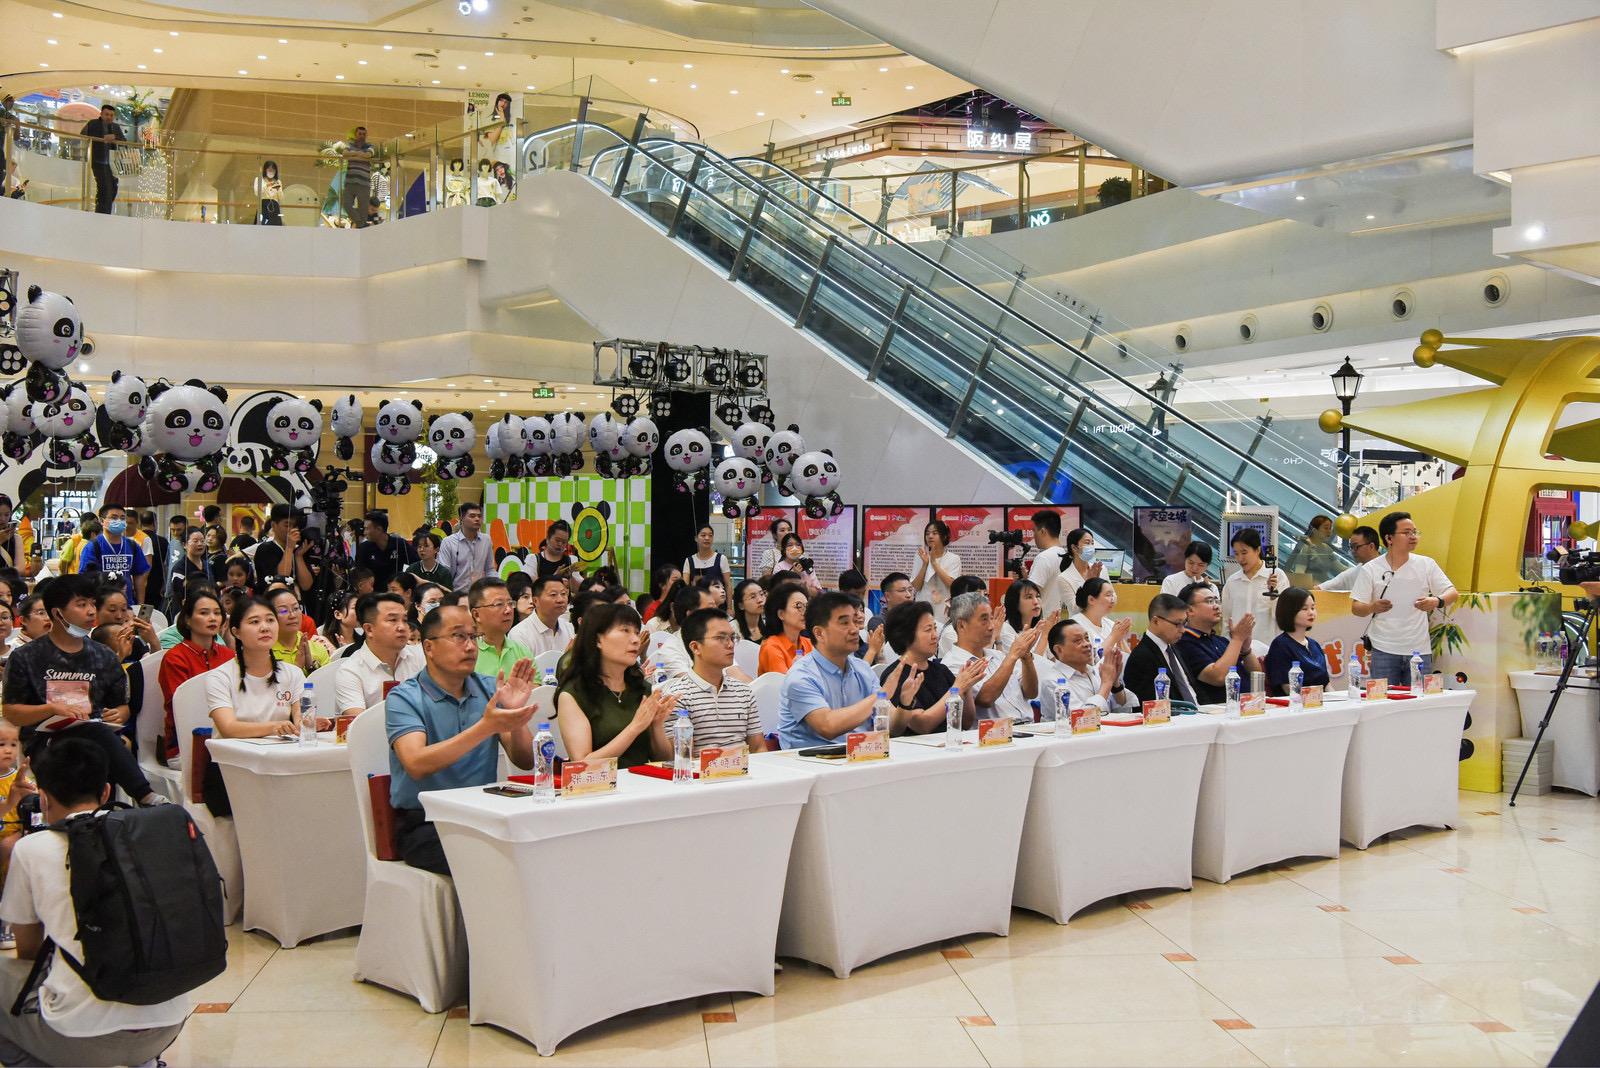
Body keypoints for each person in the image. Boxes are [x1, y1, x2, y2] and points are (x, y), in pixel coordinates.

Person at [0, 739, 188, 1068]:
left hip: (78, 1038)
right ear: (105, 792)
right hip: (169, 1025)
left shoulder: (32, 849)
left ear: (42, 797)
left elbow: (28, 953)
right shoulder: (151, 835)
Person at [387, 605, 539, 875]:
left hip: (485, 813)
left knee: (541, 847)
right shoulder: (405, 697)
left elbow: (525, 761)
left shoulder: (489, 688)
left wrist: (514, 717)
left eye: (473, 637)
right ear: (429, 647)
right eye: (459, 636)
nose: (470, 646)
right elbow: (416, 764)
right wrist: (485, 727)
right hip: (427, 822)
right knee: (496, 862)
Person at [0, 574, 164, 805]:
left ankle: (109, 812)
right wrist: (52, 709)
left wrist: (119, 714)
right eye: (81, 605)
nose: (90, 612)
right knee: (94, 741)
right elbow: (11, 712)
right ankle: (145, 796)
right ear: (57, 613)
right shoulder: (26, 656)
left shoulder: (104, 655)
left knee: (97, 737)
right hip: (46, 740)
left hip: (96, 735)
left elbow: (121, 706)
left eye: (92, 604)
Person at [203, 597, 313, 815]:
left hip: (280, 762)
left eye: (270, 620)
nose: (265, 627)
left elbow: (301, 718)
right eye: (254, 622)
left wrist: (310, 722)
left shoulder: (293, 674)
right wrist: (274, 727)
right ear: (236, 632)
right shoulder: (219, 677)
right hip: (232, 768)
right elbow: (229, 728)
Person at [555, 602, 676, 769]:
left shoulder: (641, 688)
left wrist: (656, 725)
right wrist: (635, 727)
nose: (635, 640)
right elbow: (582, 764)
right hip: (599, 784)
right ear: (598, 640)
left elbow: (664, 760)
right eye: (625, 631)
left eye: (636, 632)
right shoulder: (573, 695)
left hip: (643, 782)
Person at [1352, 511, 1457, 686]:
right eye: (1406, 533)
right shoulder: (1371, 568)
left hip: (1419, 650)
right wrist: (1372, 607)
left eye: (1415, 532)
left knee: (1419, 699)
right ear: (1389, 538)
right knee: (1382, 698)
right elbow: (1356, 607)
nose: (1413, 537)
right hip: (1383, 648)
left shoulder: (1426, 564)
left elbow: (1452, 593)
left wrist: (1436, 601)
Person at [777, 591, 892, 749]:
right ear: (819, 633)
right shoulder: (801, 677)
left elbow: (891, 723)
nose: (854, 630)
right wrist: (882, 695)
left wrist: (906, 706)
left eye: (855, 622)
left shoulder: (863, 669)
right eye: (844, 623)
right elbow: (828, 727)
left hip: (859, 755)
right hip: (810, 760)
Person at [660, 609, 769, 755]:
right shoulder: (677, 697)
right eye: (721, 638)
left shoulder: (744, 692)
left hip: (744, 767)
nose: (730, 645)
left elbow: (758, 749)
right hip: (701, 769)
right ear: (695, 647)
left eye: (732, 638)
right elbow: (684, 758)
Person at [877, 600, 988, 735]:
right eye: (928, 630)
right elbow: (922, 725)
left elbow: (966, 722)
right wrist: (957, 688)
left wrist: (966, 686)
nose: (935, 635)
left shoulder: (941, 670)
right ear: (906, 636)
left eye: (935, 628)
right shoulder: (895, 675)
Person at [156, 587, 232, 766]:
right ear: (188, 619)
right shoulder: (175, 657)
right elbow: (182, 706)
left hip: (227, 737)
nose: (212, 618)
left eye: (217, 613)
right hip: (185, 744)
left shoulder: (228, 655)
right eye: (204, 613)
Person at [941, 590, 1044, 722]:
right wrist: (1013, 655)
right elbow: (985, 699)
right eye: (984, 620)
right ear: (962, 625)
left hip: (1028, 726)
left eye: (991, 618)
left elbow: (1031, 693)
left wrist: (1026, 658)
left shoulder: (999, 656)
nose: (992, 626)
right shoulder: (951, 664)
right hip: (994, 732)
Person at [334, 592, 424, 717]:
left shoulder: (421, 656)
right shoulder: (350, 672)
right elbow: (359, 724)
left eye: (405, 620)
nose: (403, 627)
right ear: (369, 629)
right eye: (393, 620)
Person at [1174, 582, 1262, 704]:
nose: (1216, 607)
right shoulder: (1184, 642)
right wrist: (1237, 639)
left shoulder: (1222, 641)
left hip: (1249, 705)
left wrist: (1246, 650)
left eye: (1217, 601)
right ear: (1189, 610)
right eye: (1209, 601)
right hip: (1219, 710)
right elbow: (1218, 677)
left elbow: (1256, 676)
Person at [1038, 618, 1137, 719]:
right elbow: (1080, 720)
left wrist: (1115, 684)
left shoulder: (1096, 671)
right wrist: (1106, 684)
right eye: (1078, 641)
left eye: (1087, 638)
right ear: (1059, 650)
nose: (1087, 644)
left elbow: (1123, 712)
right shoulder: (1053, 682)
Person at [1123, 593, 1198, 705]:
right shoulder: (1141, 657)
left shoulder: (1175, 648)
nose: (1183, 630)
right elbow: (1146, 705)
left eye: (1184, 623)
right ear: (1156, 621)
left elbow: (1194, 690)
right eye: (1178, 624)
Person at [1221, 527, 1290, 645]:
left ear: (1258, 550)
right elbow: (1226, 619)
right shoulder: (1232, 581)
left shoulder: (1276, 576)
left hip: (1268, 647)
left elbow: (1285, 616)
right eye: (1236, 554)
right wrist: (1226, 644)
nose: (1240, 558)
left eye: (1244, 553)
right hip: (1238, 648)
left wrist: (1273, 596)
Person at [77, 504, 149, 607]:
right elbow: (86, 579)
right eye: (114, 517)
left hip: (127, 604)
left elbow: (139, 576)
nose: (119, 521)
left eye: (122, 518)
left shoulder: (132, 545)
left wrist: (140, 604)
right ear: (102, 521)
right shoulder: (93, 546)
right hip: (101, 605)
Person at [1264, 587, 1330, 697]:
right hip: (1296, 702)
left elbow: (1326, 684)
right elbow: (1287, 688)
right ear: (1289, 612)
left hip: (1322, 701)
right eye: (1304, 609)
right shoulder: (1281, 645)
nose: (1311, 613)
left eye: (1313, 608)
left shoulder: (1314, 644)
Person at [646, 583, 718, 679]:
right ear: (691, 615)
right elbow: (691, 682)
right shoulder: (670, 649)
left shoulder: (719, 642)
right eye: (711, 609)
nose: (717, 614)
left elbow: (734, 672)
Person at [469, 577, 532, 677]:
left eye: (510, 603)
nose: (508, 610)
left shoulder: (523, 652)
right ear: (476, 614)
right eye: (499, 604)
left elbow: (534, 685)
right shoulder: (466, 653)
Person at [506, 575, 572, 660]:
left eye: (563, 594)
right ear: (535, 601)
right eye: (553, 595)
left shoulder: (570, 628)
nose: (561, 600)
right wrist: (565, 660)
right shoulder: (519, 634)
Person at [252, 505, 313, 596]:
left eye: (295, 526)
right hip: (272, 601)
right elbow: (282, 579)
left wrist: (298, 556)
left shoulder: (299, 551)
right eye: (287, 525)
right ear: (273, 525)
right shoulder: (265, 549)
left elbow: (306, 585)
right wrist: (289, 548)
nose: (292, 530)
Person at [266, 585, 329, 673]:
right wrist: (297, 668)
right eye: (284, 611)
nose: (292, 615)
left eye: (296, 608)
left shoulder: (317, 648)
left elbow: (327, 681)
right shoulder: (264, 652)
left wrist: (311, 667)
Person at [912, 519, 962, 623]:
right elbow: (916, 586)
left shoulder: (953, 558)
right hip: (922, 610)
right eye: (927, 534)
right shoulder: (920, 557)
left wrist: (934, 563)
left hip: (943, 613)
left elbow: (951, 584)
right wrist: (925, 564)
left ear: (944, 536)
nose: (930, 536)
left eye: (934, 533)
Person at [93, 585, 157, 664]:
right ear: (96, 610)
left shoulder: (134, 641)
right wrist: (120, 656)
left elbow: (154, 667)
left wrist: (154, 642)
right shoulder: (86, 642)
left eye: (123, 610)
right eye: (112, 610)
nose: (119, 616)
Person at [758, 583, 812, 675]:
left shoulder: (809, 643)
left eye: (806, 607)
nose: (805, 613)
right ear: (781, 614)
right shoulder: (771, 647)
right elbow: (785, 682)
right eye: (799, 606)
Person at [80, 103, 125, 214]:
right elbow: (83, 135)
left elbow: (124, 141)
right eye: (106, 114)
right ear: (101, 114)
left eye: (111, 115)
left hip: (112, 163)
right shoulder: (93, 124)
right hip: (98, 161)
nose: (109, 117)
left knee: (113, 187)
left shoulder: (115, 127)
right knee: (104, 187)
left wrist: (115, 137)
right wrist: (102, 138)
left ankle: (104, 211)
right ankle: (102, 212)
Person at [356, 510, 416, 591]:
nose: (364, 532)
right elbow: (360, 573)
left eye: (367, 529)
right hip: (373, 593)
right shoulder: (364, 548)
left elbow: (415, 563)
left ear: (379, 529)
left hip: (395, 592)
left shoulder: (400, 544)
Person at [1025, 509, 1070, 616]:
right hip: (1060, 618)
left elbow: (1031, 593)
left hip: (1043, 619)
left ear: (1042, 531)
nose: (1033, 536)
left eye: (1034, 531)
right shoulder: (1065, 555)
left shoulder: (1044, 558)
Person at [1071, 577, 1129, 659]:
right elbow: (1091, 661)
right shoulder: (1075, 625)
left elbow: (1130, 660)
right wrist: (1113, 637)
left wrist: (1120, 638)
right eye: (1108, 595)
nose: (1113, 600)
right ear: (1091, 599)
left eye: (1112, 595)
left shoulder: (1110, 624)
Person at [438, 503, 491, 591]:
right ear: (461, 519)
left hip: (478, 594)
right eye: (472, 516)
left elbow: (489, 569)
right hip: (455, 593)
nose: (477, 519)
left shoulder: (486, 540)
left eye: (479, 516)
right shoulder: (448, 542)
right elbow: (444, 573)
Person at [1317, 525, 1381, 593]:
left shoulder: (1386, 568)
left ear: (1371, 546)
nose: (1353, 551)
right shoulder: (1354, 572)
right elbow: (1324, 587)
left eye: (1356, 547)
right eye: (1351, 547)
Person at [1287, 514, 1341, 585]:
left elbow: (1338, 568)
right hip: (1310, 588)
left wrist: (1354, 570)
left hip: (1324, 587)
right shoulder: (1305, 547)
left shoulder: (1327, 548)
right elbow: (1299, 574)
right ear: (1314, 530)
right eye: (1326, 528)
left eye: (1330, 528)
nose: (1329, 531)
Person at [1058, 527, 1103, 611]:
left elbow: (1113, 598)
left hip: (1101, 618)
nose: (1091, 547)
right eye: (1087, 543)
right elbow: (1075, 608)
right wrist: (1090, 584)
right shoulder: (1064, 578)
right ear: (1074, 548)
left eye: (1092, 543)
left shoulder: (1100, 569)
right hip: (1079, 619)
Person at [341, 126, 374, 228]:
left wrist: (353, 154)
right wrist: (359, 154)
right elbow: (344, 153)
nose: (362, 136)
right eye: (360, 134)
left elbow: (368, 155)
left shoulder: (369, 146)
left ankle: (361, 226)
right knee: (346, 204)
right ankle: (360, 224)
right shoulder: (350, 145)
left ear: (366, 135)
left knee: (363, 210)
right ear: (356, 135)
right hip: (350, 181)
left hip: (364, 182)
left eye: (364, 134)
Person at [532, 520, 579, 591]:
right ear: (548, 538)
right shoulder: (534, 559)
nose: (560, 544)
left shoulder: (571, 560)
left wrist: (570, 577)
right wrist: (553, 577)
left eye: (564, 542)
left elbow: (579, 589)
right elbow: (527, 583)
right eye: (557, 540)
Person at [138, 511, 167, 607]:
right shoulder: (162, 541)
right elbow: (166, 564)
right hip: (156, 585)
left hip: (138, 583)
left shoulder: (136, 540)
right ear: (155, 523)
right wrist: (164, 583)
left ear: (140, 523)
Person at [0, 496, 28, 578]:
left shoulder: (16, 538)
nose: (3, 519)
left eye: (6, 515)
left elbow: (21, 569)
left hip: (9, 582)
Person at [257, 160, 283, 225]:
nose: (271, 172)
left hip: (274, 206)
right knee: (262, 225)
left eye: (273, 170)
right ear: (265, 170)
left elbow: (280, 197)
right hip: (263, 205)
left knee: (275, 226)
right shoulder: (260, 180)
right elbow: (257, 192)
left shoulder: (278, 181)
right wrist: (266, 185)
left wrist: (278, 190)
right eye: (269, 170)